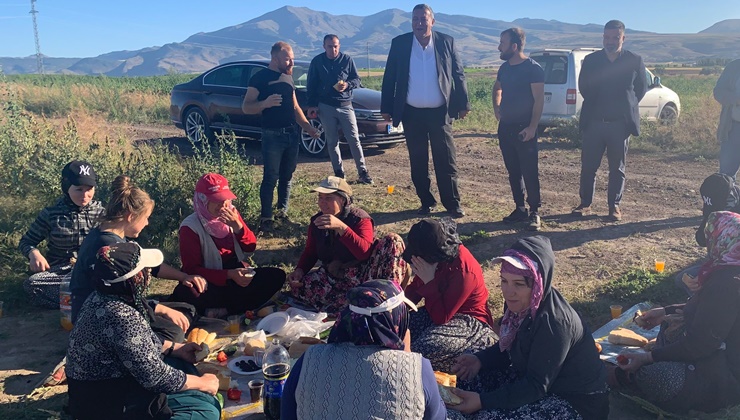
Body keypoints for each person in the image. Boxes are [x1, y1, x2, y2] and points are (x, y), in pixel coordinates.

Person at [448, 236, 609, 420]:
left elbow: (536, 385)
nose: (508, 292)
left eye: (518, 284)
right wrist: (480, 360)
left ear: (538, 284)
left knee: (487, 416)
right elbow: (510, 348)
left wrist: (482, 401)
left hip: (576, 402)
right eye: (504, 281)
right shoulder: (519, 305)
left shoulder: (554, 323)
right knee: (464, 384)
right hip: (536, 381)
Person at [66, 242, 220, 420]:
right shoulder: (121, 315)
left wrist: (174, 348)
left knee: (183, 365)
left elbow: (137, 342)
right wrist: (202, 384)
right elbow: (154, 376)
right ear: (135, 279)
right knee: (208, 411)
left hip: (108, 384)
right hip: (109, 403)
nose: (149, 273)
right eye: (145, 270)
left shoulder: (103, 296)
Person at [616, 211, 740, 414]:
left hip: (726, 379)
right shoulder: (729, 270)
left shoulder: (726, 283)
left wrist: (647, 359)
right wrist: (665, 311)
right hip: (722, 355)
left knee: (655, 376)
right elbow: (713, 314)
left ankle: (620, 376)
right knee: (669, 324)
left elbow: (699, 344)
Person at [281, 279, 446, 420]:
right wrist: (407, 360)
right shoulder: (419, 368)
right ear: (396, 320)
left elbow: (287, 413)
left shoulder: (310, 359)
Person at [70, 175, 204, 343]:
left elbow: (152, 265)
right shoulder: (108, 246)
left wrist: (184, 277)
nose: (147, 223)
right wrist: (161, 309)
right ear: (131, 216)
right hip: (98, 315)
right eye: (146, 217)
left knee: (187, 310)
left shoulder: (113, 234)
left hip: (117, 305)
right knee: (173, 332)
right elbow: (121, 298)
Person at [381, 3, 471, 218]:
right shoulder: (400, 43)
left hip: (440, 113)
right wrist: (387, 108)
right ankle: (426, 201)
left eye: (423, 19)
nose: (419, 23)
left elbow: (458, 74)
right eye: (415, 19)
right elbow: (389, 77)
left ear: (432, 21)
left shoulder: (446, 42)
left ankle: (452, 204)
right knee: (418, 160)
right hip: (412, 114)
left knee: (446, 159)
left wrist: (463, 103)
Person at [170, 173, 286, 317]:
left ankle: (222, 310)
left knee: (276, 276)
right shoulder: (190, 227)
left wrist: (238, 228)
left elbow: (250, 247)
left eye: (225, 199)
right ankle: (239, 307)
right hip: (211, 281)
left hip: (235, 275)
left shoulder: (232, 213)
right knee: (188, 292)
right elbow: (191, 269)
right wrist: (229, 275)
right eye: (217, 200)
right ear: (203, 200)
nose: (223, 205)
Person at [287, 176, 407, 314]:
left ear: (343, 200)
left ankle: (382, 302)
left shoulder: (360, 219)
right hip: (338, 275)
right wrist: (300, 270)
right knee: (300, 287)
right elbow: (311, 252)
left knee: (392, 240)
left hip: (366, 273)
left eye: (328, 198)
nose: (322, 203)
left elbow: (364, 253)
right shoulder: (317, 221)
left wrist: (342, 229)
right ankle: (353, 303)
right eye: (320, 197)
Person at [242, 41, 321, 233]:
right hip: (272, 135)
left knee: (287, 176)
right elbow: (246, 107)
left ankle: (282, 213)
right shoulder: (259, 78)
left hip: (291, 133)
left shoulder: (287, 77)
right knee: (271, 176)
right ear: (275, 58)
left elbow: (294, 107)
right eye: (287, 58)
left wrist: (308, 128)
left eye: (292, 58)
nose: (291, 62)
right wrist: (264, 103)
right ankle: (266, 218)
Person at [573, 19, 647, 222]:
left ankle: (614, 206)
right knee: (588, 166)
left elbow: (640, 89)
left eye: (615, 37)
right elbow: (584, 88)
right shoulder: (591, 60)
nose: (610, 41)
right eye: (606, 37)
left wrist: (626, 106)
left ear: (623, 38)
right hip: (594, 123)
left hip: (619, 125)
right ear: (603, 37)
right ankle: (585, 204)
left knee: (617, 168)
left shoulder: (634, 60)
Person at [403, 218, 497, 373]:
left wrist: (429, 282)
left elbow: (442, 317)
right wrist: (397, 307)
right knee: (398, 328)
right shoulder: (434, 256)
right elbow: (415, 290)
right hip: (437, 309)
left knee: (421, 351)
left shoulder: (463, 271)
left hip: (468, 320)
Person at [19, 160, 105, 308]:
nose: (85, 195)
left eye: (89, 189)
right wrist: (34, 253)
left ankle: (76, 300)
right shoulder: (51, 214)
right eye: (79, 189)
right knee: (32, 284)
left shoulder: (102, 213)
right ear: (66, 188)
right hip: (61, 274)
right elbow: (26, 242)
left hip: (92, 271)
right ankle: (87, 300)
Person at [493, 28, 545, 231]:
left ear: (514, 47)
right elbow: (497, 88)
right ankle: (520, 208)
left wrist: (533, 127)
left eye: (502, 43)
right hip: (506, 128)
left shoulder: (533, 69)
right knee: (513, 171)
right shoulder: (504, 68)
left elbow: (539, 100)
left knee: (529, 171)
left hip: (525, 129)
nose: (499, 47)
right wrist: (497, 107)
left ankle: (535, 212)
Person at [307, 34, 373, 184]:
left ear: (339, 46)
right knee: (332, 141)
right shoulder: (317, 62)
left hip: (345, 106)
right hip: (326, 106)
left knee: (354, 139)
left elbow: (357, 79)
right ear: (324, 46)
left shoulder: (347, 60)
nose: (333, 49)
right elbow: (311, 85)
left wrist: (347, 85)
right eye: (330, 46)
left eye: (336, 46)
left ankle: (363, 172)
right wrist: (312, 105)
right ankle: (339, 173)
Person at [674, 173, 740, 295]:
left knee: (714, 288)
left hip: (733, 271)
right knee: (683, 279)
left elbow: (728, 263)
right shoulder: (716, 211)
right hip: (726, 265)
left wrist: (707, 276)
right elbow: (701, 239)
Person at [714, 59, 740, 179]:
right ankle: (729, 197)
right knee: (726, 176)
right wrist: (736, 99)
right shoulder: (734, 67)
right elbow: (718, 92)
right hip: (734, 128)